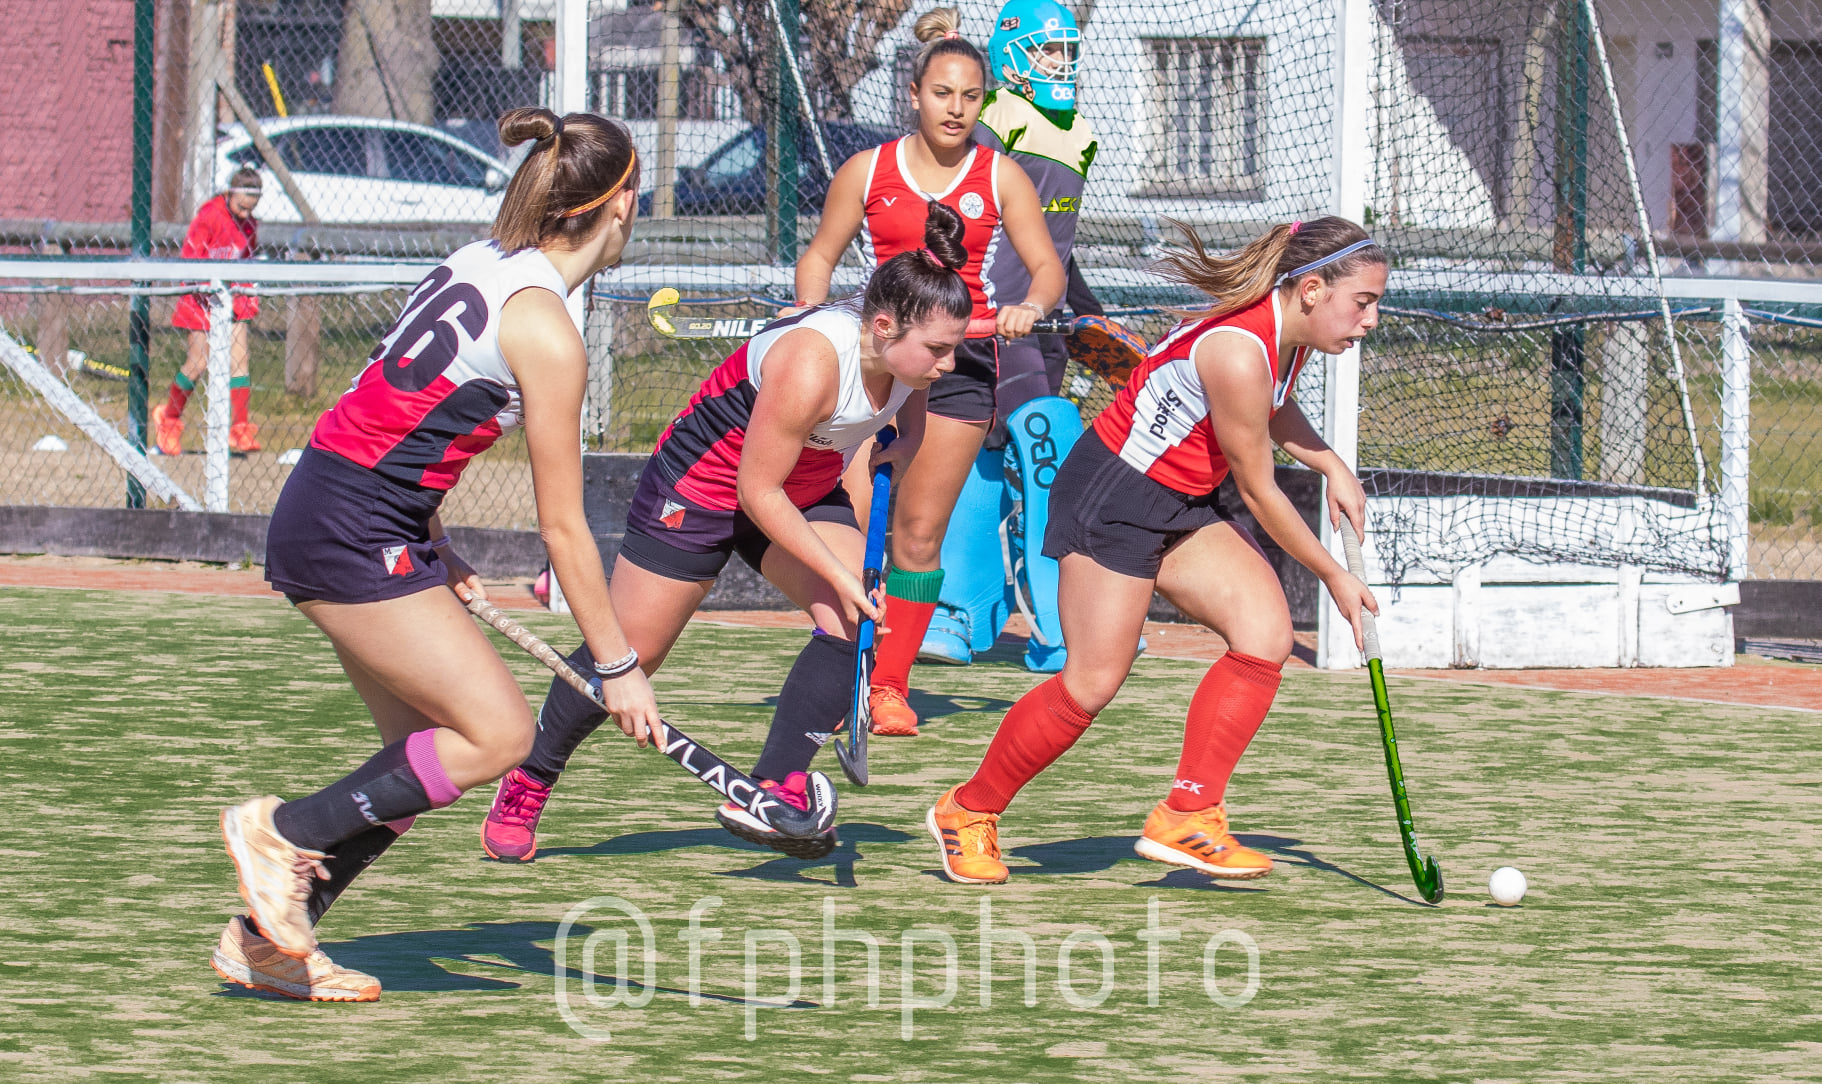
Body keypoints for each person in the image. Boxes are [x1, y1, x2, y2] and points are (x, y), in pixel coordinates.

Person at [211, 108, 659, 1002]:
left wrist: (434, 540)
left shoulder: (481, 262)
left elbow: (394, 414)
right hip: (352, 529)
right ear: (619, 207)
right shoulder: (548, 328)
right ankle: (280, 830)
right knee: (499, 735)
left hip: (342, 507)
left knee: (414, 763)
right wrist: (618, 665)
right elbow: (565, 529)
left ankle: (266, 942)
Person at [480, 205, 973, 863]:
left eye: (954, 348)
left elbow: (905, 424)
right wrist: (835, 567)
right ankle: (529, 778)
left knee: (854, 615)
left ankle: (773, 787)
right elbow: (754, 492)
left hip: (799, 487)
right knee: (628, 653)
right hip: (703, 487)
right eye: (938, 349)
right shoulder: (812, 363)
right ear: (883, 328)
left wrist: (898, 451)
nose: (947, 364)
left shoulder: (910, 362)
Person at [924, 217, 1387, 885]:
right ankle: (967, 811)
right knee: (1090, 683)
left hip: (1180, 501)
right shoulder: (1236, 349)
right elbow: (1257, 492)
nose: (1369, 320)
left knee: (1265, 634)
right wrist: (1333, 576)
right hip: (1112, 496)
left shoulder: (1290, 335)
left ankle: (1187, 815)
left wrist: (1330, 464)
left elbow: (1273, 409)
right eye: (1363, 303)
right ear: (1311, 288)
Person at [793, 6, 1066, 737]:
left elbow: (1046, 268)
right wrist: (814, 321)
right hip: (873, 368)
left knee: (918, 534)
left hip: (960, 365)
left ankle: (889, 683)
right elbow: (818, 255)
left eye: (970, 96)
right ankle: (840, 653)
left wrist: (1028, 308)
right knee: (848, 523)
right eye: (942, 93)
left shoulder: (999, 174)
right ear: (914, 94)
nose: (956, 108)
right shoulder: (868, 170)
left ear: (985, 101)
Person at [920, 0, 1108, 672]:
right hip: (985, 322)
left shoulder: (1078, 130)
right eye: (1047, 51)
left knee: (1017, 458)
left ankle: (1053, 622)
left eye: (1067, 51)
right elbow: (960, 209)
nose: (1062, 63)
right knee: (996, 455)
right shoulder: (994, 116)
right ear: (1011, 55)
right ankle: (967, 617)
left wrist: (1083, 308)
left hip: (1040, 323)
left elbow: (1055, 245)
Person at [154, 167, 265, 456]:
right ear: (228, 193)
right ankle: (168, 420)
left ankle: (240, 429)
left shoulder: (250, 223)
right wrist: (206, 288)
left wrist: (248, 291)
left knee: (240, 359)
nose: (244, 215)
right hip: (200, 297)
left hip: (231, 295)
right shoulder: (209, 216)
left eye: (250, 209)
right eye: (240, 207)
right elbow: (190, 259)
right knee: (198, 362)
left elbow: (247, 260)